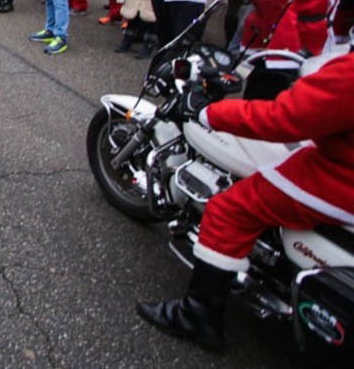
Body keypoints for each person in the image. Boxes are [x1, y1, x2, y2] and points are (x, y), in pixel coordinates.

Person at [136, 52, 354, 353]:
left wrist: (207, 112)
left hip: (340, 176)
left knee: (229, 209)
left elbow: (284, 119)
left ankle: (197, 315)